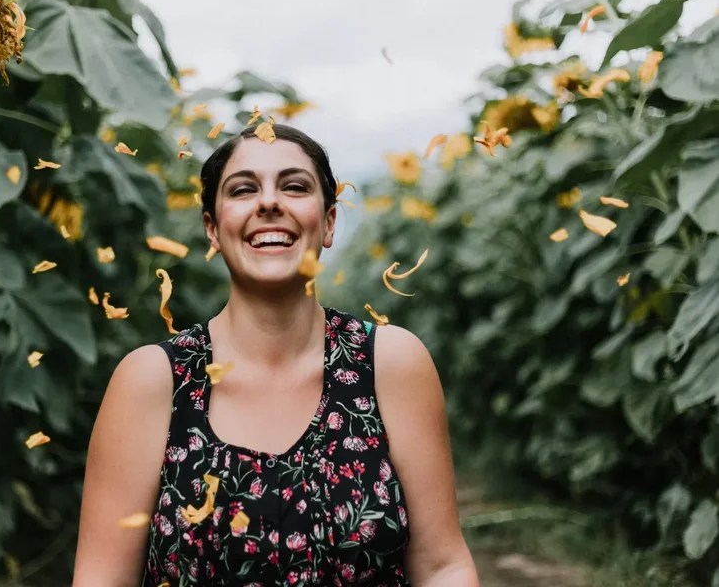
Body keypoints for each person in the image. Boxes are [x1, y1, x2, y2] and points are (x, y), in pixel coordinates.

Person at [72, 124, 480, 587]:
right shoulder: (153, 381)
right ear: (212, 228)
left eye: (294, 186)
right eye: (243, 190)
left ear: (327, 223)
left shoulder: (390, 363)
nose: (269, 203)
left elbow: (443, 566)